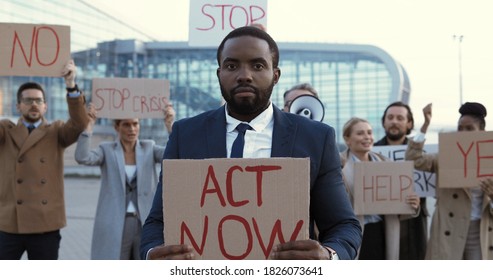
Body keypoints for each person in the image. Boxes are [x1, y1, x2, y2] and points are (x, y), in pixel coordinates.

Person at [140, 26, 362, 260]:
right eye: (232, 65)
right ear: (219, 74)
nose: (244, 75)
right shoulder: (185, 134)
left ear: (275, 76)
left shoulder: (316, 138)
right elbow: (158, 221)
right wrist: (152, 254)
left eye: (257, 65)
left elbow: (343, 226)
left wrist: (329, 255)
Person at [0, 59, 89, 260]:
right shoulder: (5, 130)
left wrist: (71, 85)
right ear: (18, 106)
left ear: (45, 106)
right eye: (28, 100)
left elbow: (80, 123)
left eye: (38, 100)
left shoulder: (56, 131)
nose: (33, 104)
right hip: (8, 224)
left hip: (45, 225)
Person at [74, 101, 175, 260]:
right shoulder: (106, 149)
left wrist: (170, 126)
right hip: (116, 221)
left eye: (135, 124)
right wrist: (89, 125)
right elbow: (82, 157)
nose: (132, 129)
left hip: (145, 221)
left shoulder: (149, 147)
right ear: (117, 127)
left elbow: (173, 154)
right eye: (126, 125)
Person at [406, 102, 493, 259]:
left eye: (469, 128)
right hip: (449, 228)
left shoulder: (490, 160)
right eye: (460, 128)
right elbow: (414, 158)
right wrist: (425, 125)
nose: (463, 133)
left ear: (482, 131)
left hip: (481, 230)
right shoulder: (445, 155)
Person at [340, 117, 420, 259]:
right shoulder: (337, 166)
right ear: (347, 139)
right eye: (360, 133)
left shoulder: (386, 163)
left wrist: (411, 203)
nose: (367, 137)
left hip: (384, 231)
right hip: (355, 234)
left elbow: (395, 204)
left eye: (369, 133)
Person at [374, 101, 428, 260]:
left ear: (409, 123)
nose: (394, 121)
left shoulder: (422, 154)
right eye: (390, 117)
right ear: (384, 122)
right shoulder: (371, 153)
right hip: (381, 224)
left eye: (400, 118)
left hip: (414, 224)